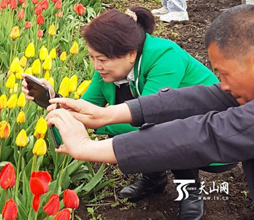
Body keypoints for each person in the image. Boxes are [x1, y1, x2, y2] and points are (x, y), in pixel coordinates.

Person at [45, 3, 254, 212]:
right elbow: (174, 102)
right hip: (191, 130)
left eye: (224, 74)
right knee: (153, 116)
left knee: (172, 129)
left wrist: (89, 142)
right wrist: (67, 105)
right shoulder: (108, 66)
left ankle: (190, 193)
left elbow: (198, 135)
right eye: (93, 57)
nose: (96, 65)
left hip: (214, 143)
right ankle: (154, 179)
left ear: (130, 54)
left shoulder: (164, 57)